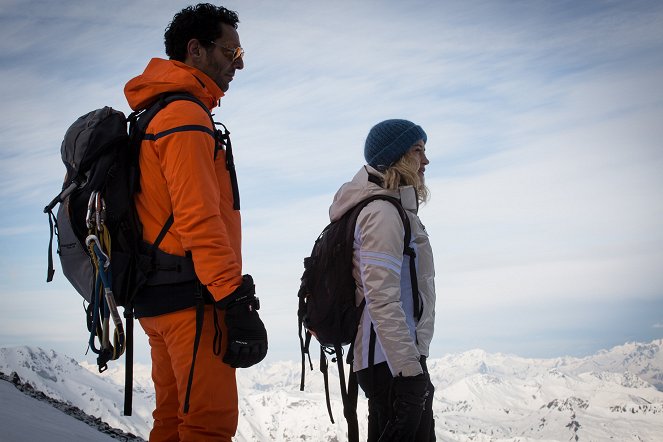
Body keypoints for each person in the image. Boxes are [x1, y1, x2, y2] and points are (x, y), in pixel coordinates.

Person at [124, 4, 267, 441]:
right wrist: (234, 299)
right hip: (192, 303)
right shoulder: (184, 117)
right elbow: (199, 219)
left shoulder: (155, 113)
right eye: (230, 51)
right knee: (208, 425)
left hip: (157, 298)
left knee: (171, 421)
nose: (238, 63)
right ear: (196, 50)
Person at [329, 119, 436, 441]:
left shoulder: (388, 209)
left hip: (390, 357)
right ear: (396, 158)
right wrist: (409, 373)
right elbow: (382, 299)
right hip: (391, 361)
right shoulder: (383, 213)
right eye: (418, 151)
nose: (426, 161)